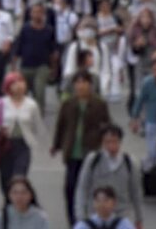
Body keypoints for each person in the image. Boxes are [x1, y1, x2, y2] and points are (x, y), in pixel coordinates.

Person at [51, 71, 111, 226]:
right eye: (77, 82)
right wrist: (56, 145)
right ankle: (73, 221)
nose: (80, 86)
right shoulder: (68, 104)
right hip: (72, 151)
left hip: (90, 151)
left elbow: (107, 125)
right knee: (70, 186)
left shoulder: (99, 104)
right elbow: (61, 125)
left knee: (90, 187)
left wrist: (105, 141)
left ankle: (90, 219)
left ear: (90, 85)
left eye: (84, 82)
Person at [74, 125, 143, 228]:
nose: (111, 146)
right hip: (96, 214)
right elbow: (82, 188)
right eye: (107, 142)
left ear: (120, 142)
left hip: (121, 215)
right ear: (102, 143)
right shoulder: (93, 160)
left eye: (114, 141)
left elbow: (136, 192)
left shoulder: (129, 163)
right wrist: (80, 215)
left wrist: (139, 218)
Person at [0, 72, 47, 194]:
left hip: (23, 145)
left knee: (19, 177)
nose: (19, 86)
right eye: (14, 83)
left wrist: (45, 144)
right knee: (5, 178)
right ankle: (8, 202)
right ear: (8, 86)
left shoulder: (31, 104)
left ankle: (17, 201)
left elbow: (38, 125)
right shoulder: (1, 103)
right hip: (5, 145)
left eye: (21, 82)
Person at [13, 3, 56, 115]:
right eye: (34, 12)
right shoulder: (25, 28)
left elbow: (53, 52)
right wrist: (14, 67)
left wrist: (53, 68)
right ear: (31, 14)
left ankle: (38, 116)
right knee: (23, 93)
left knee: (39, 92)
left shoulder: (49, 30)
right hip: (26, 66)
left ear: (43, 14)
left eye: (39, 12)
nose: (37, 15)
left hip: (42, 66)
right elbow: (18, 48)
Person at [130, 60, 156, 169]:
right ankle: (152, 175)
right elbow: (140, 101)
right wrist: (134, 119)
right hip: (152, 122)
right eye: (154, 70)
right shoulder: (147, 83)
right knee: (152, 152)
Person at [125, 8, 156, 112]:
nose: (146, 20)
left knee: (153, 91)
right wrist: (137, 45)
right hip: (141, 64)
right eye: (143, 17)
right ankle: (139, 118)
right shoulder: (135, 31)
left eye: (148, 17)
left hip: (155, 65)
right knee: (140, 92)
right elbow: (133, 51)